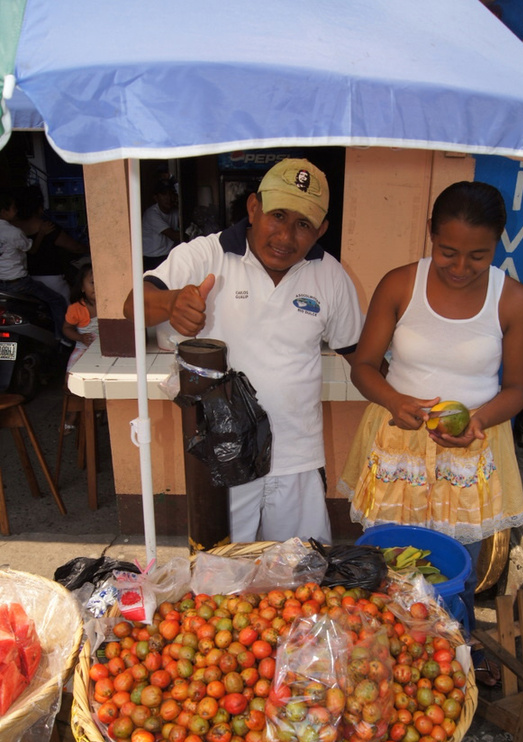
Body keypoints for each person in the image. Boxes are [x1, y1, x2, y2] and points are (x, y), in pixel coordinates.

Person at [338, 181, 523, 687]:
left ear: (496, 245)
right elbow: (363, 365)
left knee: (455, 561)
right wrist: (393, 399)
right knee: (387, 552)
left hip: (470, 447)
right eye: (448, 251)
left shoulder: (512, 301)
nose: (460, 266)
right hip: (399, 441)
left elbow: (516, 388)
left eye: (478, 255)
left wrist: (479, 419)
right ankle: (381, 648)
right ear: (430, 235)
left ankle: (454, 647)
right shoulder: (400, 284)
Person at [124, 157, 363, 544]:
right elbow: (135, 304)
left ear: (321, 230)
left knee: (300, 580)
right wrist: (170, 304)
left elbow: (359, 356)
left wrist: (406, 397)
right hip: (222, 458)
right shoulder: (205, 256)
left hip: (297, 457)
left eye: (303, 224)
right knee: (223, 582)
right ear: (253, 207)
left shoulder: (330, 275)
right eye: (278, 215)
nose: (286, 236)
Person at [0, 190, 68, 340]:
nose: (16, 210)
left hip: (2, 286)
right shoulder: (13, 232)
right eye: (13, 208)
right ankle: (63, 338)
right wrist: (42, 233)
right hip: (19, 283)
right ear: (4, 211)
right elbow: (32, 250)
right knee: (57, 300)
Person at [14, 184, 88, 307]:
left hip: (26, 279)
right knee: (65, 312)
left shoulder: (13, 228)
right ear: (40, 207)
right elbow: (75, 248)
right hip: (52, 280)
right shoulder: (48, 227)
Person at [61, 262, 98, 432]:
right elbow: (66, 329)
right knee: (72, 381)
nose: (97, 286)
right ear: (82, 287)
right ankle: (72, 415)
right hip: (83, 349)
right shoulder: (76, 309)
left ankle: (95, 407)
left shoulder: (111, 305)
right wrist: (81, 337)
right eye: (92, 282)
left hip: (103, 351)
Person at [141, 179, 180, 270]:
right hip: (152, 258)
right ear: (156, 198)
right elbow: (173, 235)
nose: (168, 198)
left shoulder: (175, 211)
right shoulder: (152, 214)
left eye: (171, 194)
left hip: (167, 255)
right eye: (164, 194)